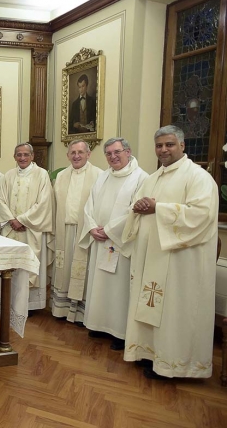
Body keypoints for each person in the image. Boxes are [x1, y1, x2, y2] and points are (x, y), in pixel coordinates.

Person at [122, 126, 218, 379]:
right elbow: (140, 209)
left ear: (182, 146)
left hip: (179, 262)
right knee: (150, 306)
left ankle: (173, 363)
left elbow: (202, 215)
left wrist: (158, 208)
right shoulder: (152, 179)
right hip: (152, 257)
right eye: (159, 145)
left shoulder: (198, 177)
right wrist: (139, 207)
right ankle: (151, 354)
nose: (163, 150)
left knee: (175, 311)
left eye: (169, 145)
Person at [79, 137, 147, 350]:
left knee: (119, 288)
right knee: (99, 284)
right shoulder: (103, 176)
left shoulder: (141, 178)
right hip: (100, 239)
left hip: (120, 242)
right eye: (108, 153)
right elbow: (89, 204)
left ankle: (119, 332)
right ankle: (98, 324)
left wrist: (108, 230)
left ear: (128, 151)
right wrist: (91, 227)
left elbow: (135, 210)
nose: (113, 157)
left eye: (117, 152)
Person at [0, 143, 54, 310]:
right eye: (19, 155)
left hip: (31, 230)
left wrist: (21, 220)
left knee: (29, 267)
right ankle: (10, 301)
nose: (22, 158)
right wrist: (11, 220)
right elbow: (2, 200)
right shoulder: (9, 175)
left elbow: (44, 203)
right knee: (11, 267)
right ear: (14, 157)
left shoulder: (41, 175)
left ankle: (30, 306)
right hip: (11, 228)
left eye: (25, 155)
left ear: (32, 156)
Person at [51, 140, 102, 323]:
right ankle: (61, 310)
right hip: (64, 231)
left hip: (85, 233)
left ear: (88, 154)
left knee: (82, 271)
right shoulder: (61, 176)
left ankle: (81, 314)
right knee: (64, 271)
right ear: (68, 155)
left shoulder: (99, 176)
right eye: (73, 152)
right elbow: (54, 204)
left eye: (80, 152)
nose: (76, 156)